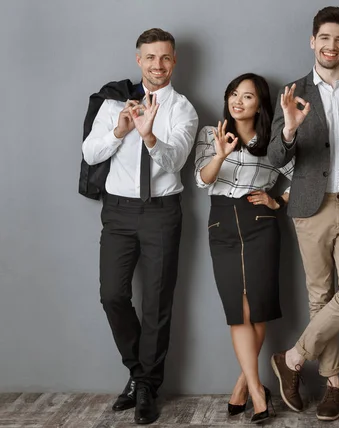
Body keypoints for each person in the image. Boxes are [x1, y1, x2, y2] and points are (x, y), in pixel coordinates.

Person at [267, 6, 339, 422]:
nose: (331, 46)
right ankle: (334, 386)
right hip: (308, 206)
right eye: (324, 38)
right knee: (319, 296)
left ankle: (293, 358)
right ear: (312, 41)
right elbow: (276, 156)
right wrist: (289, 128)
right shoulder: (293, 90)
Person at [82, 28, 198, 425]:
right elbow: (90, 151)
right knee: (112, 295)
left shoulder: (183, 109)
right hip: (117, 213)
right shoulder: (115, 102)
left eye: (165, 58)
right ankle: (138, 372)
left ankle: (147, 385)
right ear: (138, 60)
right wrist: (120, 130)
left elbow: (176, 161)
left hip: (162, 212)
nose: (158, 66)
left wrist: (149, 136)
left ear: (174, 61)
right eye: (150, 58)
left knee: (156, 304)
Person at [195, 73, 292, 424]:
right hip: (221, 220)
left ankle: (245, 388)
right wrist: (220, 155)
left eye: (248, 96)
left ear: (259, 104)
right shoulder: (212, 133)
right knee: (237, 309)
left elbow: (302, 173)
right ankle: (256, 391)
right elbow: (202, 178)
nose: (238, 101)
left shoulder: (273, 141)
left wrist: (278, 200)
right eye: (234, 94)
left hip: (260, 222)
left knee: (258, 308)